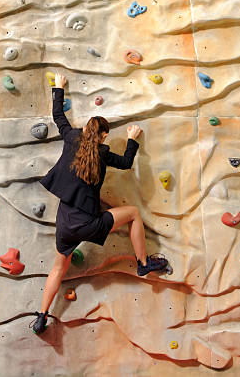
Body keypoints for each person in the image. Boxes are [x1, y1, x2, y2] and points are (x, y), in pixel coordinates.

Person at [29, 72, 168, 334]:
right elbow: (126, 164)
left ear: (85, 130)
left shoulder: (71, 138)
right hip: (90, 222)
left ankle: (41, 316)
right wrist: (132, 139)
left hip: (66, 223)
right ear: (103, 136)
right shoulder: (103, 153)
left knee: (59, 267)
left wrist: (59, 87)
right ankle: (142, 263)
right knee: (134, 213)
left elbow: (58, 117)